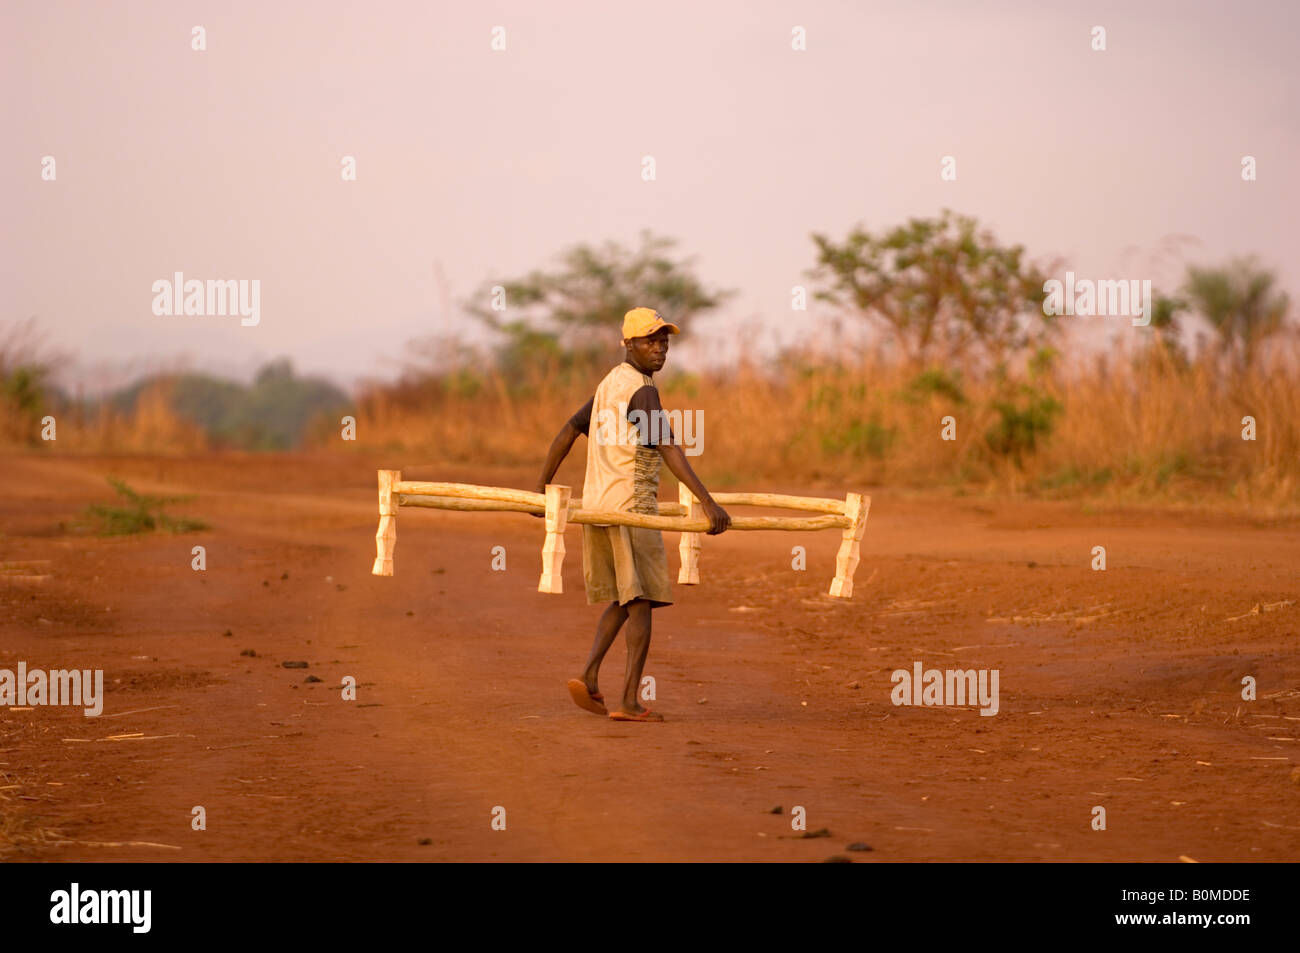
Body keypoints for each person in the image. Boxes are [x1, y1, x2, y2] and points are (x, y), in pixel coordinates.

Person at [532, 307, 730, 722]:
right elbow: (668, 446)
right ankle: (627, 702)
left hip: (599, 507)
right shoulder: (640, 389)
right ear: (628, 344)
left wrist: (542, 486)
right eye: (650, 341)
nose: (659, 349)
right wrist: (708, 502)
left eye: (664, 342)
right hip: (632, 509)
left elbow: (568, 430)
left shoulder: (609, 385)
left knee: (628, 598)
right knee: (639, 601)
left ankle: (588, 676)